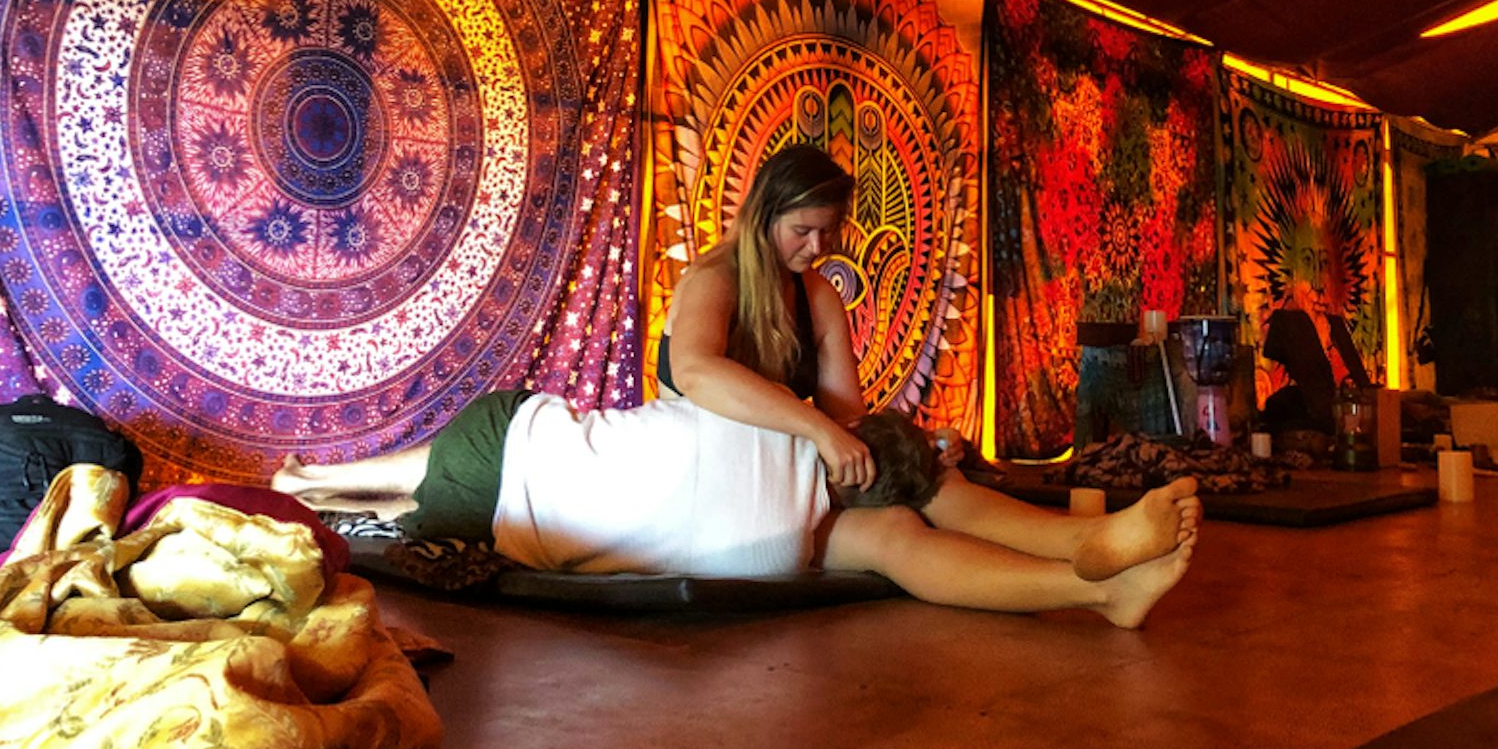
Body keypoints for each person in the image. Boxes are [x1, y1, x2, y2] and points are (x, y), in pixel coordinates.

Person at [273, 400, 1202, 629]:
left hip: (523, 466)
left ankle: (1095, 564)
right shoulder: (806, 450)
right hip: (530, 474)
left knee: (438, 469)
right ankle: (1087, 569)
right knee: (905, 518)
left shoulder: (785, 426)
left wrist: (323, 485)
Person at [654, 144, 884, 492]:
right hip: (698, 483)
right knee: (897, 530)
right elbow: (694, 371)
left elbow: (848, 421)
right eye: (802, 231)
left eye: (828, 230)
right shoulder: (713, 278)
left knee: (935, 490)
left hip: (779, 480)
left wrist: (918, 445)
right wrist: (816, 428)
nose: (818, 247)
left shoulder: (819, 296)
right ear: (764, 216)